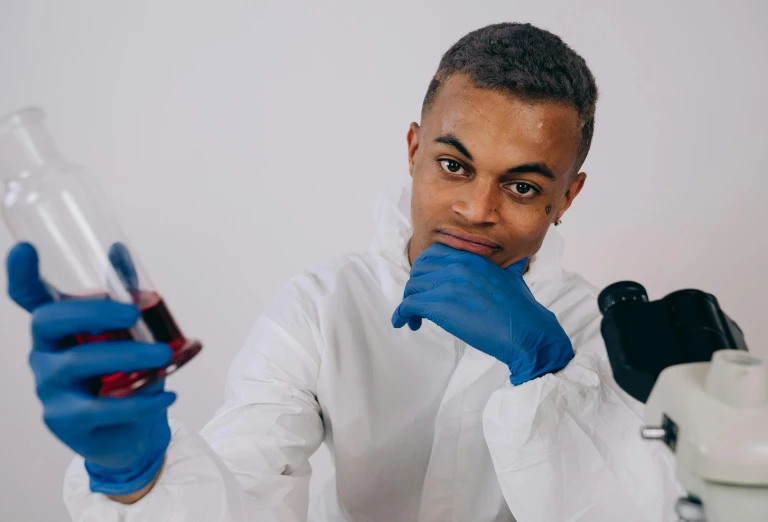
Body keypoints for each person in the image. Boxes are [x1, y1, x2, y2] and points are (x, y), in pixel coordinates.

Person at [6, 22, 681, 521]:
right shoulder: (321, 309)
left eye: (524, 187)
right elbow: (248, 493)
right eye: (453, 165)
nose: (476, 210)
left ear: (568, 197)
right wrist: (134, 476)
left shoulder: (604, 337)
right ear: (414, 150)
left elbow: (644, 509)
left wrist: (549, 376)